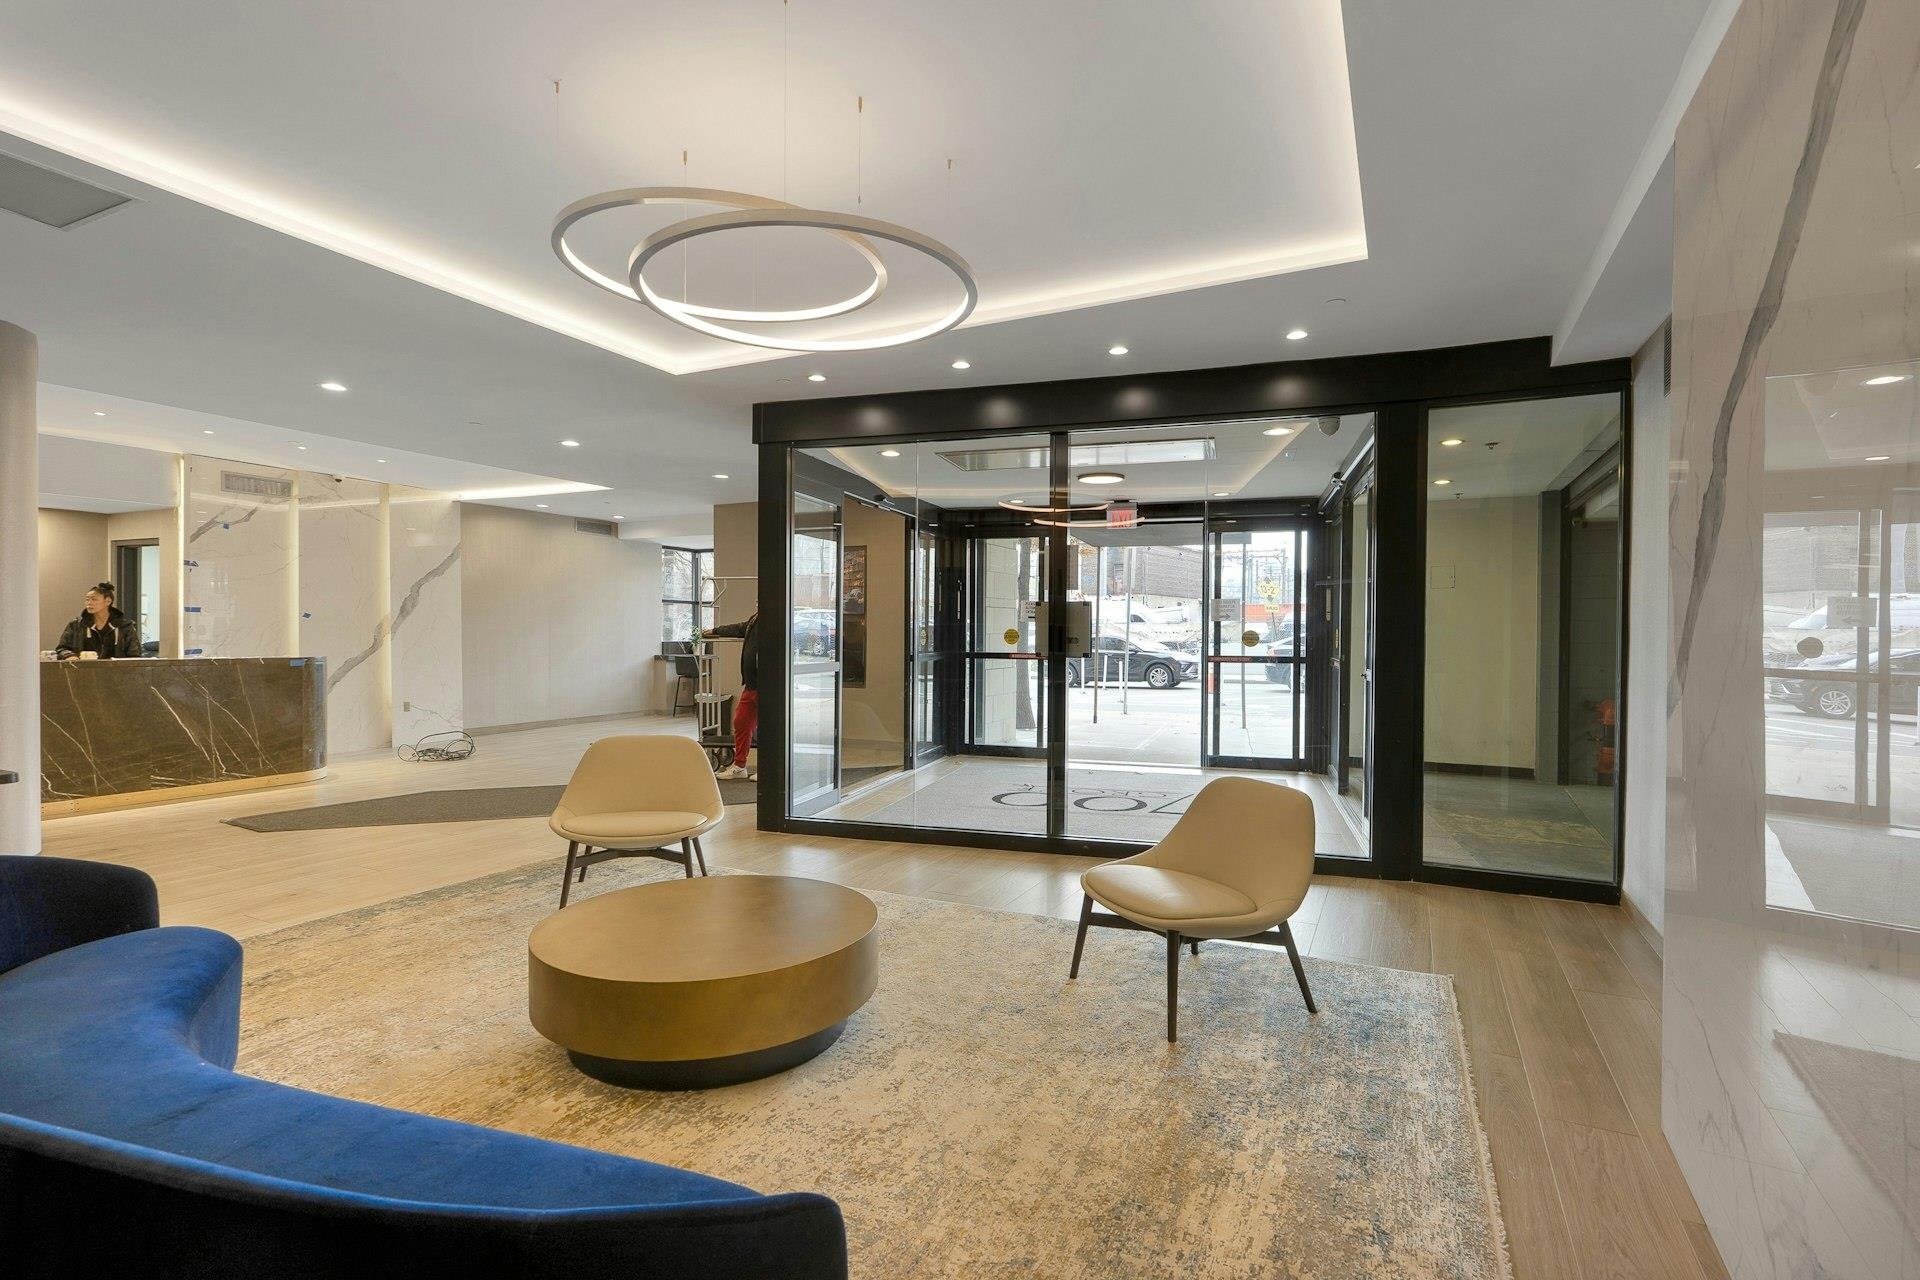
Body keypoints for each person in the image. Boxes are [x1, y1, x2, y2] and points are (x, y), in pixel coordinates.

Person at [702, 612, 758, 778]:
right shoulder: (755, 618)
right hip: (751, 684)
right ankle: (739, 766)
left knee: (770, 728)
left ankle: (769, 770)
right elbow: (739, 628)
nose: (758, 602)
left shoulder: (776, 620)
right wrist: (715, 631)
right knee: (741, 722)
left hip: (768, 684)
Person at [54, 582, 142, 660]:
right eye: (87, 599)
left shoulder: (124, 626)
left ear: (108, 601)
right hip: (83, 670)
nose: (89, 603)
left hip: (116, 671)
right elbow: (62, 649)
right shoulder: (76, 625)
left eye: (94, 599)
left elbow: (135, 655)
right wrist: (69, 656)